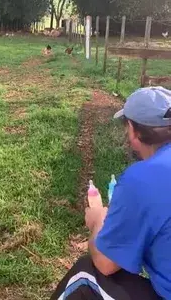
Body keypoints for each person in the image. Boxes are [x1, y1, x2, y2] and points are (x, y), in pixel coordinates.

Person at [51, 86, 171, 300]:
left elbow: (107, 264)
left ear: (133, 130)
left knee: (85, 273)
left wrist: (98, 219)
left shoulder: (143, 177)